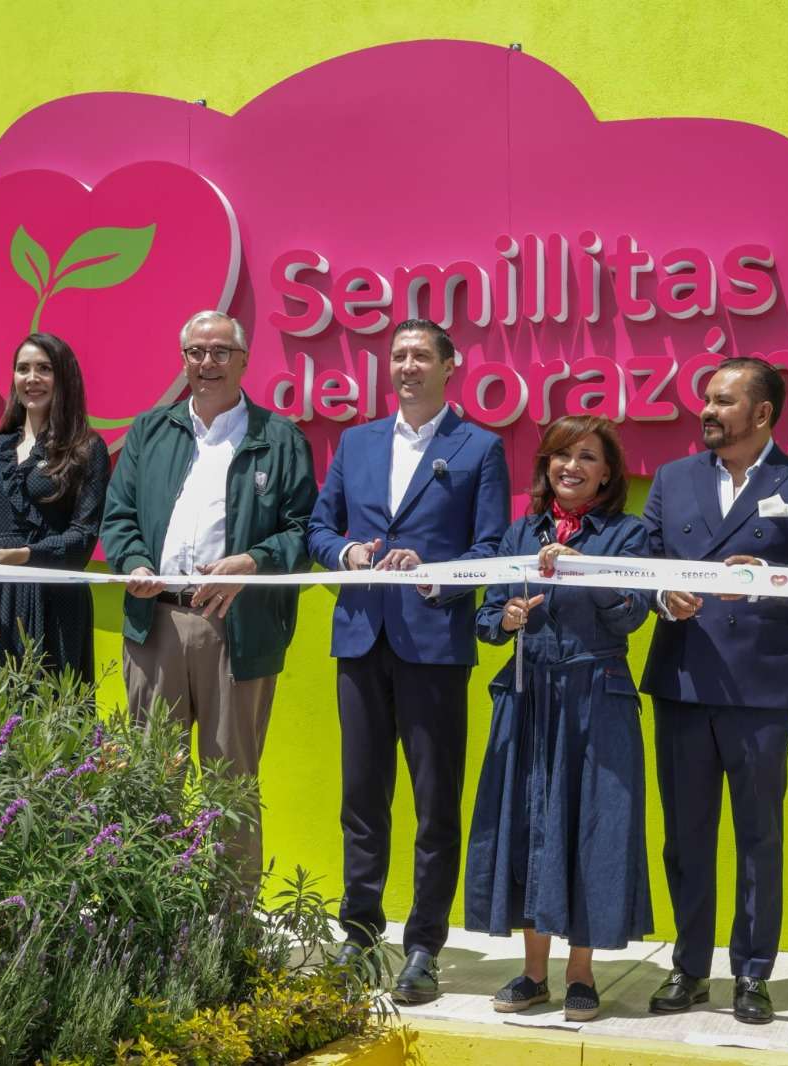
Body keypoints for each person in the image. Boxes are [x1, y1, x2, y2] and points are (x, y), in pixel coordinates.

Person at [307, 318, 510, 1004]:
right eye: (398, 355)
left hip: (433, 644)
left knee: (434, 805)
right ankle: (359, 935)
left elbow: (490, 548)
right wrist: (347, 552)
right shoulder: (357, 442)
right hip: (361, 636)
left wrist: (432, 573)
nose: (407, 366)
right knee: (362, 799)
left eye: (421, 355)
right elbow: (319, 527)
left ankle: (423, 946)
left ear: (450, 366)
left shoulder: (479, 448)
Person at [640, 357, 788, 1025]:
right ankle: (690, 967)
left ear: (761, 413)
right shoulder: (672, 479)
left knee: (759, 836)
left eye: (723, 400)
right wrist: (662, 594)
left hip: (761, 689)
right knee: (685, 835)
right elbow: (646, 562)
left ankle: (753, 972)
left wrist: (767, 577)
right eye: (707, 398)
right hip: (684, 678)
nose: (707, 410)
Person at [101, 309, 317, 891]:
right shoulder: (151, 431)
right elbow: (118, 517)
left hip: (237, 629)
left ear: (244, 361)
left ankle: (231, 923)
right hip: (156, 622)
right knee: (151, 780)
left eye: (221, 351)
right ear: (184, 361)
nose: (207, 363)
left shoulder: (280, 439)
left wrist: (253, 562)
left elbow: (304, 531)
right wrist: (134, 562)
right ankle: (152, 915)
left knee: (231, 785)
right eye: (196, 352)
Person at [464, 415, 653, 1023]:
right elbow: (487, 618)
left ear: (608, 473)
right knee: (527, 825)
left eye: (587, 457)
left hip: (597, 697)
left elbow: (632, 615)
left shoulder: (628, 534)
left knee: (592, 827)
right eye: (561, 456)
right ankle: (532, 973)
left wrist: (582, 569)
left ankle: (581, 974)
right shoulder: (520, 531)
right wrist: (506, 618)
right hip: (529, 697)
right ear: (546, 465)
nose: (572, 467)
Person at [0, 333, 109, 685]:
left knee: (47, 709)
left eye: (44, 369)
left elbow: (82, 540)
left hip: (54, 600)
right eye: (23, 369)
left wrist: (21, 556)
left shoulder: (86, 448)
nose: (32, 378)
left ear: (64, 377)